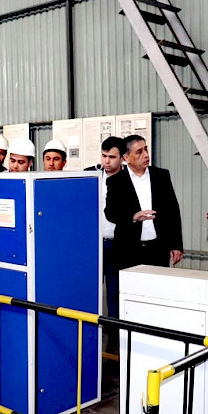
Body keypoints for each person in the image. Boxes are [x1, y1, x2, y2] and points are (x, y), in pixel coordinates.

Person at [105, 134, 183, 269]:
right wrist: (133, 217)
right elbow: (111, 213)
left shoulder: (161, 176)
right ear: (126, 158)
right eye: (139, 152)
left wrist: (176, 245)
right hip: (127, 250)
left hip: (158, 249)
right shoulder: (116, 181)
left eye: (146, 149)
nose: (146, 155)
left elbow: (173, 211)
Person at [92, 137, 126, 319]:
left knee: (114, 291)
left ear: (122, 157)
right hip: (94, 243)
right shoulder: (91, 177)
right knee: (90, 288)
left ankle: (113, 328)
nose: (106, 161)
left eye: (112, 157)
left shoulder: (129, 180)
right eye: (104, 156)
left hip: (117, 244)